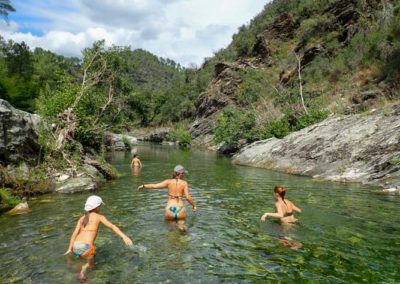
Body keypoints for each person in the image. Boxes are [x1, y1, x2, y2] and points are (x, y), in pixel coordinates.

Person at [64, 195, 133, 281]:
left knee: (85, 260)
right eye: (100, 206)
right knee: (91, 265)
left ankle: (77, 270)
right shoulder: (99, 217)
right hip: (86, 248)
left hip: (75, 246)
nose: (100, 208)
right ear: (96, 207)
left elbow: (74, 234)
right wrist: (124, 237)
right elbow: (112, 226)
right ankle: (82, 275)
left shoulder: (82, 218)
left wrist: (69, 249)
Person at [137, 165, 196, 230]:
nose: (184, 175)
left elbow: (155, 186)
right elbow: (188, 197)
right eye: (184, 173)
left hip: (170, 209)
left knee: (171, 231)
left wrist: (143, 186)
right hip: (180, 209)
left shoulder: (168, 182)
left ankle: (172, 238)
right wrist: (194, 206)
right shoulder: (184, 183)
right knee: (182, 229)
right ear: (181, 174)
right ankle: (182, 237)